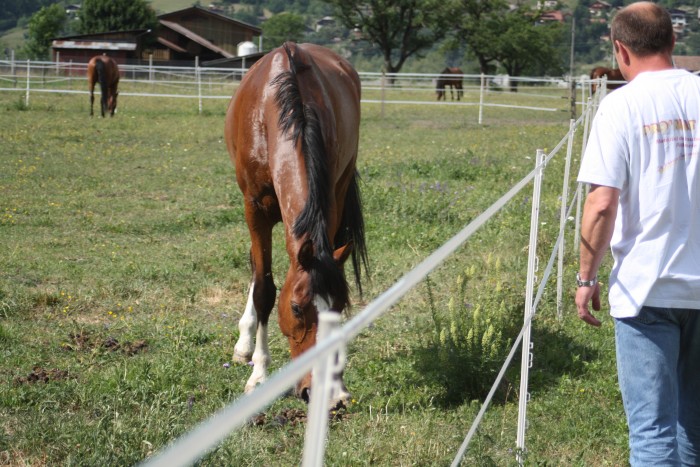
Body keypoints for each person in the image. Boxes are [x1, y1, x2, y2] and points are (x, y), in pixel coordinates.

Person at [575, 2, 700, 466]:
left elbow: (602, 202)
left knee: (652, 432)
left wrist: (586, 278)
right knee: (695, 425)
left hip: (646, 288)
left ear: (619, 49)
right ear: (672, 42)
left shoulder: (620, 106)